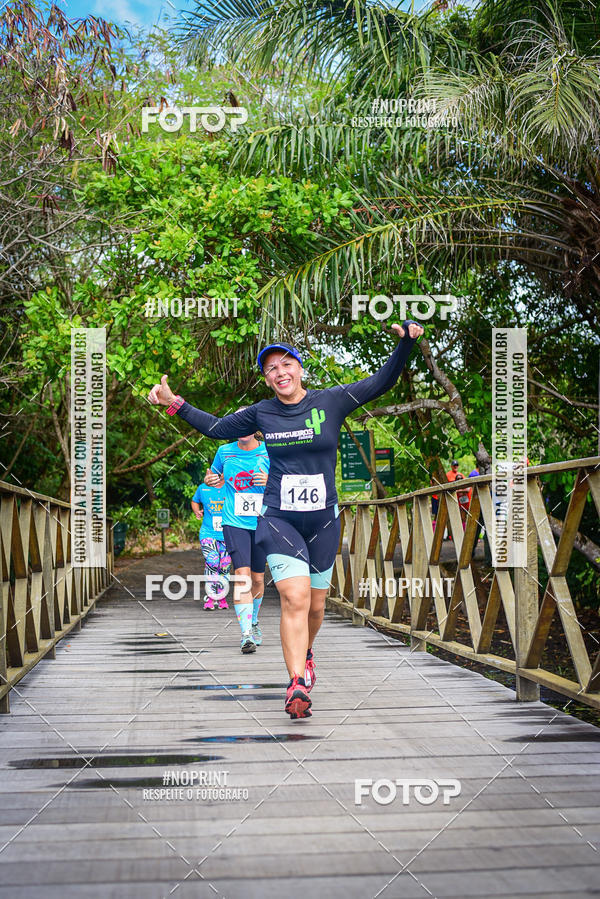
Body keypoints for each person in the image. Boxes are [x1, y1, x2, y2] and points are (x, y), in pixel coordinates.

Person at [148, 319, 424, 719]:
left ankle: (306, 651)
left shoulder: (332, 401)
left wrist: (405, 347)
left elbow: (381, 382)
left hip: (324, 520)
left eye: (286, 364)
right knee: (292, 598)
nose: (280, 372)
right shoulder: (262, 414)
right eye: (271, 369)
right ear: (267, 379)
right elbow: (216, 427)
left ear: (300, 369)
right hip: (279, 518)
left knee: (315, 607)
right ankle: (295, 682)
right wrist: (175, 403)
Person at [204, 427, 269, 653]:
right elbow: (210, 476)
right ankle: (246, 635)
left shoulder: (268, 452)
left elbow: (285, 480)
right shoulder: (224, 451)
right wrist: (210, 479)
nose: (244, 430)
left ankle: (253, 619)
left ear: (256, 429)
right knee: (242, 576)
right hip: (234, 522)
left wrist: (269, 479)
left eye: (248, 426)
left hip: (262, 522)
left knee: (258, 579)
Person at [191, 480, 231, 610]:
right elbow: (194, 500)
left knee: (225, 565)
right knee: (212, 560)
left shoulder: (231, 487)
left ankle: (221, 595)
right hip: (208, 533)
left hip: (228, 533)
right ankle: (211, 596)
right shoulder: (203, 488)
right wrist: (197, 511)